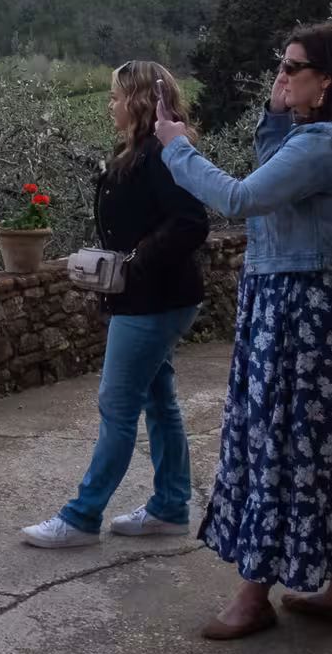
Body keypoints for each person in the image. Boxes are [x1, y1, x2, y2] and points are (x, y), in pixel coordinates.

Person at [153, 21, 332, 640]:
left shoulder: (327, 145)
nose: (281, 76)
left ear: (328, 80)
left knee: (277, 450)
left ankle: (253, 597)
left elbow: (240, 198)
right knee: (324, 455)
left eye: (292, 68)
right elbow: (274, 172)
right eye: (280, 65)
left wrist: (176, 148)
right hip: (319, 311)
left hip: (302, 316)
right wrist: (277, 107)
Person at [20, 61, 211, 548]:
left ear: (141, 100)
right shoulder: (138, 152)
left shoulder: (162, 154)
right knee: (158, 401)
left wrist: (136, 261)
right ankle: (170, 507)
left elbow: (192, 222)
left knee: (118, 404)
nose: (110, 104)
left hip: (151, 301)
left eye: (116, 96)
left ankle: (82, 518)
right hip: (157, 297)